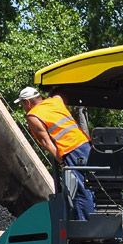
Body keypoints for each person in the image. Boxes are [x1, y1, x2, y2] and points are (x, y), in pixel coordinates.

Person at [16, 86, 96, 221]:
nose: (23, 107)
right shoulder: (56, 101)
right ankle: (97, 218)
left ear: (27, 102)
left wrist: (61, 161)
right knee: (92, 184)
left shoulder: (33, 116)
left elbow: (46, 142)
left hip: (70, 150)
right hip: (86, 145)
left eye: (22, 104)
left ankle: (86, 225)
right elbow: (60, 93)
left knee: (79, 189)